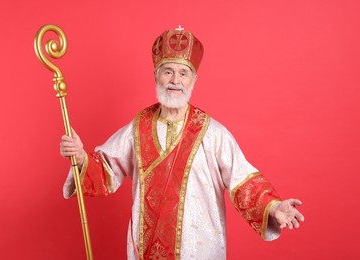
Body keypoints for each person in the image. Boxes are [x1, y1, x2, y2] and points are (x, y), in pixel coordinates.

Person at [60, 26, 305, 260]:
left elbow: (242, 181)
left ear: (193, 79)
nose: (175, 80)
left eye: (183, 73)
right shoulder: (139, 127)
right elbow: (107, 169)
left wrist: (272, 207)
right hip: (144, 250)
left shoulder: (212, 133)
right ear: (156, 75)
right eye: (168, 71)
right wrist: (81, 157)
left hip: (199, 250)